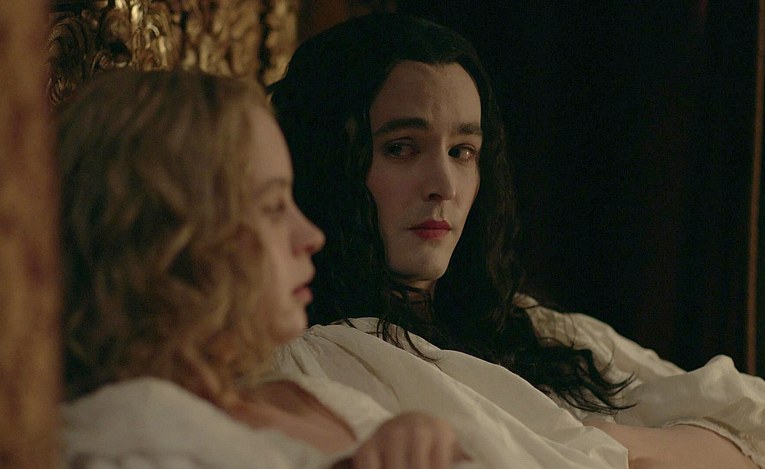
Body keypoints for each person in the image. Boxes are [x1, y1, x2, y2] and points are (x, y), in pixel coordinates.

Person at [268, 12, 765, 469]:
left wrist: (615, 444)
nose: (444, 185)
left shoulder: (528, 324)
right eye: (402, 148)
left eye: (462, 151)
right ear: (329, 163)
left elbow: (754, 440)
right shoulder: (322, 359)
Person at [58, 68, 505, 469]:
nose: (310, 236)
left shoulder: (310, 393)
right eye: (273, 207)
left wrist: (421, 438)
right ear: (169, 238)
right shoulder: (127, 435)